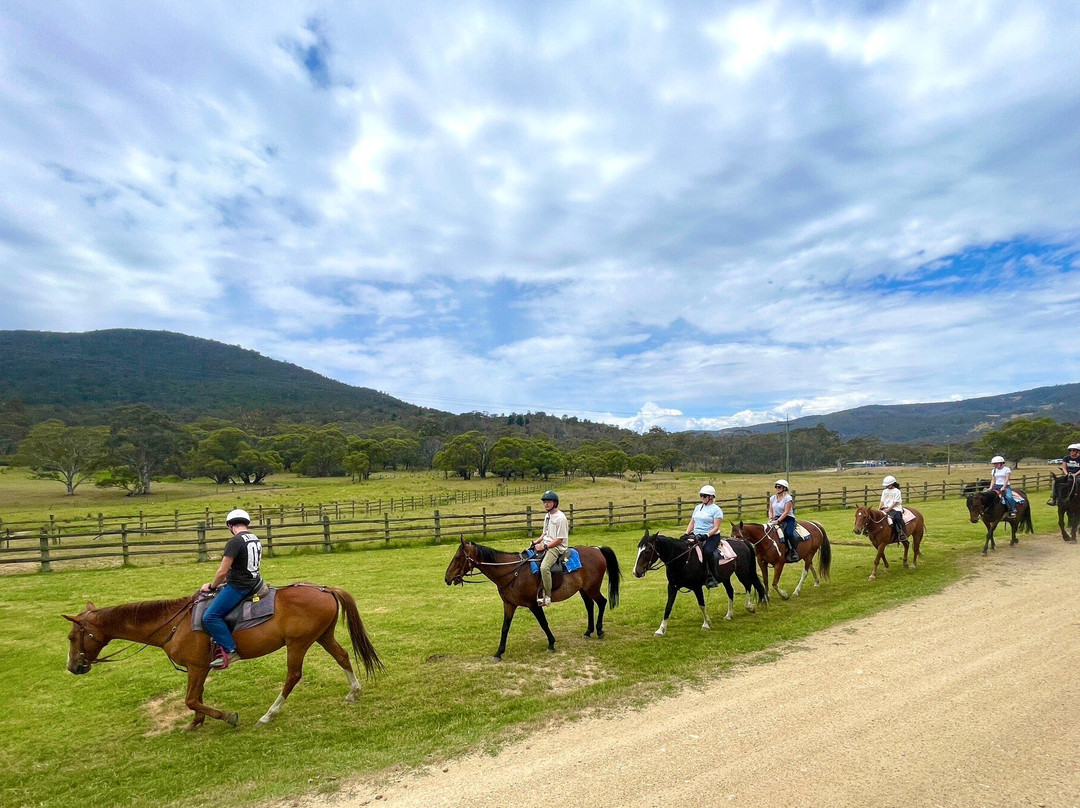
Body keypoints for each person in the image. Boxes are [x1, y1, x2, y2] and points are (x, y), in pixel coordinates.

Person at [200, 509, 264, 669]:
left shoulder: (235, 542)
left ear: (230, 525)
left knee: (210, 616)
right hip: (254, 580)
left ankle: (230, 650)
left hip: (240, 586)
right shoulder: (254, 538)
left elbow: (222, 571)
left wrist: (212, 586)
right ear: (246, 524)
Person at [528, 491, 570, 608]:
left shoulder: (561, 518)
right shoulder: (547, 516)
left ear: (555, 503)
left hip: (556, 547)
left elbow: (560, 540)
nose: (546, 505)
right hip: (546, 543)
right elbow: (544, 533)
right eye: (545, 502)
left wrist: (544, 546)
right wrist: (535, 542)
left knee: (544, 567)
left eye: (548, 502)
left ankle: (548, 595)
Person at [683, 484, 724, 588]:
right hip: (696, 535)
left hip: (712, 536)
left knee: (707, 551)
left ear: (711, 497)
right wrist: (686, 533)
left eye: (704, 496)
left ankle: (712, 576)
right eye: (701, 495)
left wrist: (706, 535)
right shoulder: (698, 507)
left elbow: (716, 527)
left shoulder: (716, 510)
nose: (702, 498)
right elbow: (692, 522)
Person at [768, 480, 800, 562]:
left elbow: (786, 512)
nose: (777, 488)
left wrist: (777, 521)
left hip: (788, 518)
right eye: (776, 486)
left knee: (789, 533)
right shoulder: (772, 498)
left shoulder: (788, 498)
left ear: (784, 488)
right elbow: (770, 510)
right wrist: (771, 518)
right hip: (775, 518)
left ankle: (793, 550)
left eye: (779, 487)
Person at [878, 475, 906, 543]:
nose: (886, 487)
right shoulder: (884, 491)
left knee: (897, 518)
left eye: (888, 485)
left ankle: (901, 533)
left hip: (896, 508)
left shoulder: (897, 491)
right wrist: (879, 508)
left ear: (892, 484)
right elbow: (882, 500)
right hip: (885, 508)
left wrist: (889, 509)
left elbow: (895, 502)